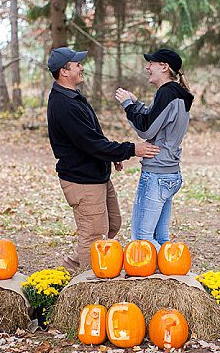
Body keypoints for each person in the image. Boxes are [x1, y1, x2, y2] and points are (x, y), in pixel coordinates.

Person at [46, 46, 160, 271]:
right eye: (77, 64)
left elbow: (93, 135)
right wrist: (131, 149)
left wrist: (111, 155)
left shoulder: (73, 97)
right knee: (95, 237)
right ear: (64, 71)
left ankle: (72, 266)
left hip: (96, 174)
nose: (81, 67)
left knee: (112, 223)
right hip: (82, 181)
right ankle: (87, 285)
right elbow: (91, 143)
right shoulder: (64, 104)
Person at [114, 48, 194, 249]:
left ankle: (173, 267)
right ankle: (171, 273)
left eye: (152, 63)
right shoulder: (177, 93)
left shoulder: (166, 92)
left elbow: (146, 129)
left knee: (143, 239)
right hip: (170, 173)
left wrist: (127, 106)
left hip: (157, 176)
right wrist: (136, 103)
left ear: (165, 67)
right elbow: (156, 119)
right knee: (160, 236)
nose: (147, 67)